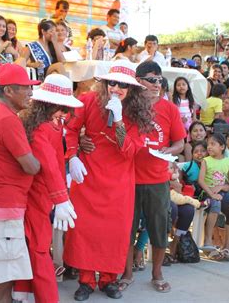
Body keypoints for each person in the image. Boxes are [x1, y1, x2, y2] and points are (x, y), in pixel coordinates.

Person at [64, 60, 153, 301]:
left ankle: (108, 280)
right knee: (85, 230)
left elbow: (128, 150)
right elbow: (71, 130)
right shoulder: (87, 101)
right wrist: (72, 156)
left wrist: (119, 119)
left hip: (119, 182)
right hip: (88, 174)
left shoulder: (136, 113)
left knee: (114, 232)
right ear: (104, 83)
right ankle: (85, 281)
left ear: (131, 89)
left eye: (123, 85)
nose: (116, 88)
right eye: (112, 82)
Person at [116, 61, 186, 294]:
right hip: (129, 179)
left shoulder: (169, 109)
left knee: (158, 228)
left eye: (160, 80)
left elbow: (180, 143)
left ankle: (157, 273)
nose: (158, 84)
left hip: (157, 179)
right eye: (152, 79)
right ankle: (126, 273)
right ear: (138, 81)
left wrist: (170, 151)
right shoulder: (126, 107)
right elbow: (117, 137)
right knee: (126, 229)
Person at [13, 74, 81, 303]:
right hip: (36, 195)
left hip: (44, 194)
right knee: (39, 249)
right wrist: (62, 198)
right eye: (62, 108)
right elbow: (49, 166)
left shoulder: (50, 123)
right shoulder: (42, 128)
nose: (65, 114)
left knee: (35, 246)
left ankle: (22, 293)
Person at [0, 64, 41, 303]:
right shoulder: (7, 120)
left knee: (5, 270)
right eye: (25, 89)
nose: (29, 93)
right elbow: (31, 166)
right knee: (3, 274)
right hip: (5, 204)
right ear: (9, 91)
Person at [198, 133, 229, 261]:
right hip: (207, 193)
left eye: (213, 144)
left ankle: (226, 247)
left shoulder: (228, 161)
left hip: (222, 194)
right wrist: (212, 193)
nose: (209, 147)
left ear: (222, 147)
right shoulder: (206, 161)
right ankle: (208, 241)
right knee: (216, 204)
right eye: (208, 144)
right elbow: (201, 181)